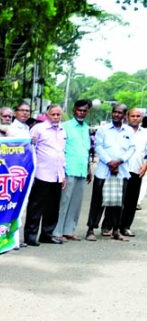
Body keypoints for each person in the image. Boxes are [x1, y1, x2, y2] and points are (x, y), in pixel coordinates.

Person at [86, 104, 135, 241]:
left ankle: (116, 230)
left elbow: (131, 148)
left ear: (124, 115)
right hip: (103, 170)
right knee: (97, 201)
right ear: (112, 113)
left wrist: (119, 161)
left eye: (120, 113)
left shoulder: (129, 131)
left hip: (121, 171)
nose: (116, 115)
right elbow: (98, 147)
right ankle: (91, 229)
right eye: (115, 112)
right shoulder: (103, 129)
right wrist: (109, 162)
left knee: (118, 202)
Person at [24, 105, 67, 246]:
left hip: (56, 175)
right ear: (47, 114)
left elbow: (61, 153)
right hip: (41, 174)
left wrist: (63, 175)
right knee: (36, 207)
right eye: (53, 114)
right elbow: (30, 150)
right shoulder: (38, 129)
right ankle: (30, 236)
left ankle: (47, 234)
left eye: (58, 114)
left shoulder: (62, 130)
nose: (55, 117)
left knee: (53, 208)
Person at [53, 100, 92, 242]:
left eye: (85, 110)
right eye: (79, 110)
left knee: (76, 203)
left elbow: (86, 150)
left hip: (81, 170)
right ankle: (57, 232)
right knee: (64, 202)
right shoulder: (65, 127)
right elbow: (60, 148)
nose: (82, 113)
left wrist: (88, 168)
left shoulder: (86, 128)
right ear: (74, 110)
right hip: (68, 169)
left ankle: (69, 230)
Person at [120, 107, 146, 237]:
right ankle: (109, 226)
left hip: (137, 170)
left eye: (138, 116)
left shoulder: (146, 133)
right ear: (127, 117)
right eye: (133, 116)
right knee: (116, 200)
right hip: (120, 171)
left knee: (131, 201)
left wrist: (145, 166)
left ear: (141, 118)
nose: (135, 118)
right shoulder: (122, 131)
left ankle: (125, 227)